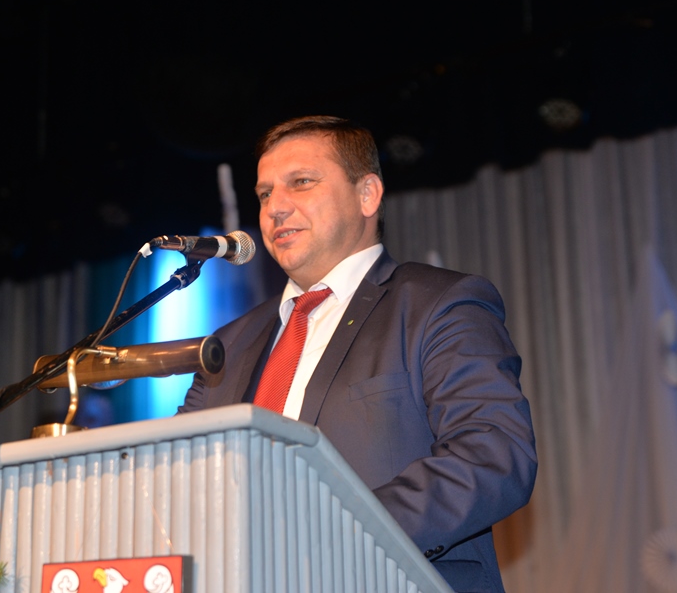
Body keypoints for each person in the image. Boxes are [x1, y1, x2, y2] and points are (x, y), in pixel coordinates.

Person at [181, 115, 536, 592]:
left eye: (301, 182)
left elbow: (493, 456)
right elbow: (181, 479)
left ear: (368, 194)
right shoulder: (228, 342)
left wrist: (338, 531)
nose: (275, 208)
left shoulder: (436, 304)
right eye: (264, 194)